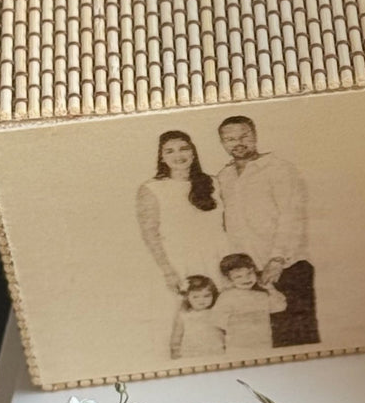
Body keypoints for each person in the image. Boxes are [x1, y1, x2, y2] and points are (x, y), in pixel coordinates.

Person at [217, 115, 319, 347]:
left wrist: (277, 259)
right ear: (222, 143)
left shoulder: (279, 169)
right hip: (249, 273)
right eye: (229, 139)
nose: (237, 143)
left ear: (255, 136)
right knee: (263, 341)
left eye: (244, 136)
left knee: (296, 339)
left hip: (287, 266)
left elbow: (292, 216)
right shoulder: (224, 177)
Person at [136, 130, 228, 293]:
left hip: (218, 258)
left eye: (183, 148)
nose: (178, 155)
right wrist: (168, 272)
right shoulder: (152, 189)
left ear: (193, 153)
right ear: (162, 157)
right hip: (179, 263)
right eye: (169, 151)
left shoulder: (213, 182)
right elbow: (150, 234)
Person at [211, 253, 286, 352]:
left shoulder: (261, 294)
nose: (246, 279)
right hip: (237, 345)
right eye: (238, 276)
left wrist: (270, 288)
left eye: (249, 273)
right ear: (229, 279)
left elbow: (280, 306)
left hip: (263, 343)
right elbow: (217, 321)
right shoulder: (227, 296)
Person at [170, 275, 225, 360]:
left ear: (213, 295)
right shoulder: (184, 316)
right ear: (187, 298)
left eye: (207, 296)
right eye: (196, 297)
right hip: (192, 352)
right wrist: (175, 352)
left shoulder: (216, 311)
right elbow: (176, 336)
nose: (201, 300)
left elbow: (225, 331)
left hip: (216, 350)